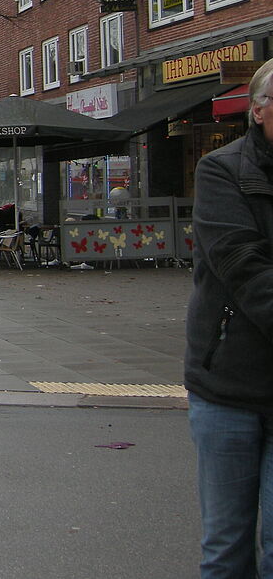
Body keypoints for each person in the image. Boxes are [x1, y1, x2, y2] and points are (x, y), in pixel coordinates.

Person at [186, 55, 273, 578]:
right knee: (226, 548)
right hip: (228, 388)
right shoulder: (221, 171)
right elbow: (244, 268)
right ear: (259, 111)